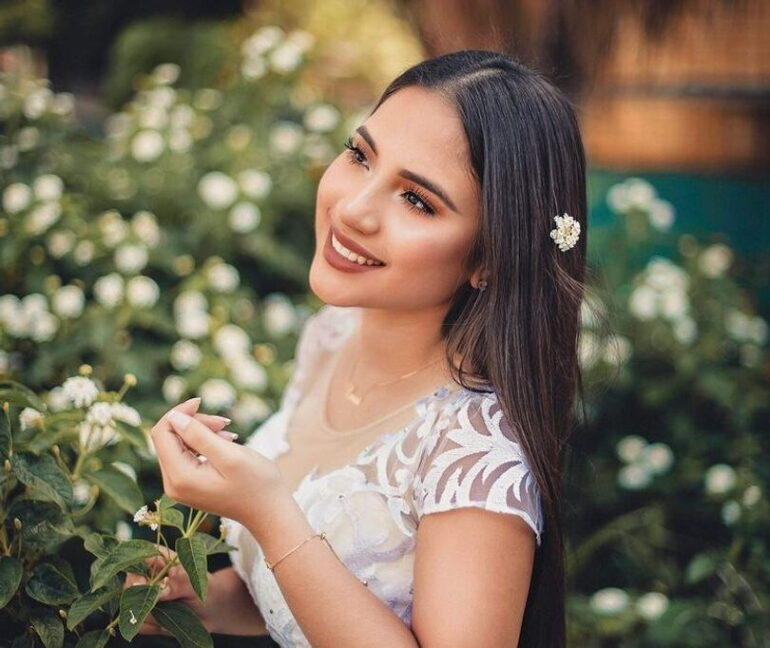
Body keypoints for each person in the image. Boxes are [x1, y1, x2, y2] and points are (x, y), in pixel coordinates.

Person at [128, 49, 588, 647]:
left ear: (489, 258)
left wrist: (267, 510)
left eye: (417, 200)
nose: (352, 208)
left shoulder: (474, 455)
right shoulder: (331, 336)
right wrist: (202, 604)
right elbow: (309, 605)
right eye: (360, 156)